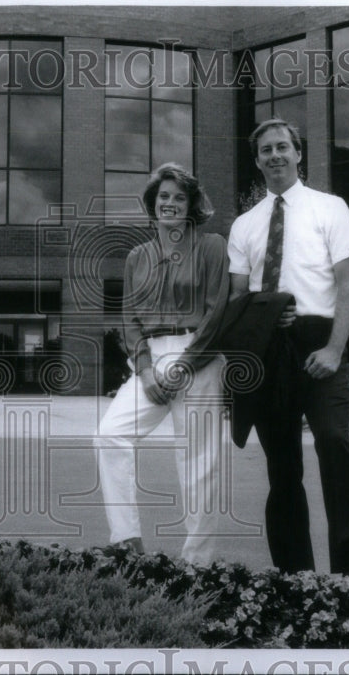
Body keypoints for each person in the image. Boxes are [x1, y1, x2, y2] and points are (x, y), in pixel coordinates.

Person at [226, 118, 349, 589]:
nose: (275, 155)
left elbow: (348, 284)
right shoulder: (245, 225)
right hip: (269, 348)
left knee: (334, 442)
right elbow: (237, 300)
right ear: (257, 160)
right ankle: (295, 575)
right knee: (282, 464)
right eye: (265, 149)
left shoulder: (331, 209)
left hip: (320, 340)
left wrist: (334, 347)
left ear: (298, 152)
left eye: (282, 147)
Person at [97, 163, 230, 565]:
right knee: (110, 434)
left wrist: (186, 364)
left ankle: (197, 565)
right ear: (152, 205)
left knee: (199, 462)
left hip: (199, 356)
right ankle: (127, 540)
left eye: (178, 196)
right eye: (163, 197)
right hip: (151, 361)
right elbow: (129, 319)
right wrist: (145, 369)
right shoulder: (138, 257)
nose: (170, 203)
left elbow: (217, 312)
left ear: (191, 205)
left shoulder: (211, 247)